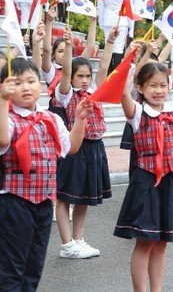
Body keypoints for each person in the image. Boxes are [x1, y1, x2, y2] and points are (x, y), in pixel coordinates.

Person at [114, 39, 173, 290]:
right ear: (140, 88)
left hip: (171, 180)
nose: (159, 90)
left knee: (163, 242)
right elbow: (122, 92)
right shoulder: (138, 113)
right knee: (144, 242)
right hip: (146, 182)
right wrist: (129, 58)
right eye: (152, 85)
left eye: (163, 85)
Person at [0, 57, 90, 291]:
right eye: (17, 83)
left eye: (31, 81)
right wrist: (2, 99)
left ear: (40, 84)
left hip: (43, 203)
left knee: (34, 268)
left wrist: (80, 119)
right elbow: (2, 139)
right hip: (14, 202)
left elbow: (71, 146)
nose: (26, 87)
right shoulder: (7, 118)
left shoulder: (50, 118)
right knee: (11, 269)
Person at [53, 28, 116, 258]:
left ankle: (78, 239)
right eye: (79, 76)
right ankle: (66, 243)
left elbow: (104, 67)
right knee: (65, 195)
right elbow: (67, 69)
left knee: (84, 197)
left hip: (94, 147)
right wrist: (69, 47)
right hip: (74, 146)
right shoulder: (66, 93)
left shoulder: (94, 91)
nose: (84, 80)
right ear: (70, 78)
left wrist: (109, 42)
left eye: (87, 76)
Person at [98, 0, 129, 74]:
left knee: (108, 45)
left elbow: (100, 5)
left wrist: (101, 22)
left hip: (107, 18)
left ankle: (107, 74)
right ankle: (115, 74)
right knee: (118, 47)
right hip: (121, 19)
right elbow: (129, 6)